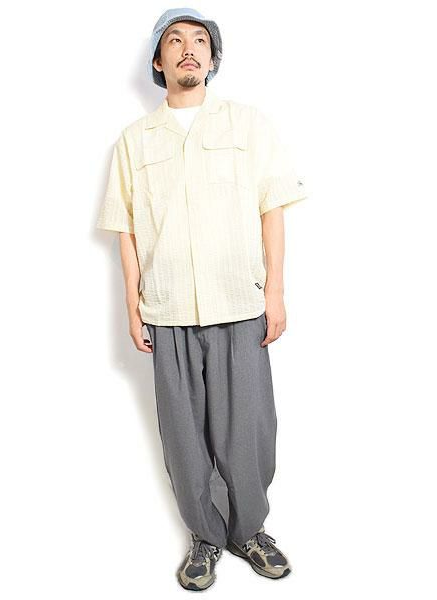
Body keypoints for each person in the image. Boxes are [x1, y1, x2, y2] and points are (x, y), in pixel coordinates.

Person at [96, 7, 307, 591]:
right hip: (167, 311)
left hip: (240, 303)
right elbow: (126, 228)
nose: (188, 48)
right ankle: (205, 538)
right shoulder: (134, 142)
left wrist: (277, 292)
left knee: (250, 431)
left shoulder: (248, 126)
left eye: (199, 41)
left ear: (212, 59)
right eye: (174, 41)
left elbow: (272, 210)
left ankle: (249, 530)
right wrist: (131, 304)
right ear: (158, 61)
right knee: (184, 436)